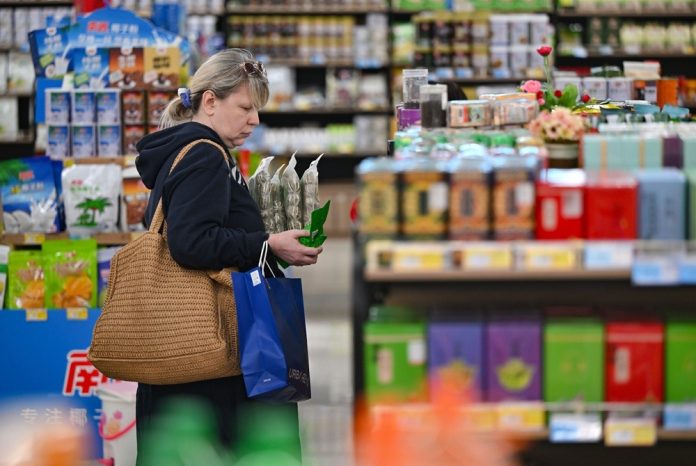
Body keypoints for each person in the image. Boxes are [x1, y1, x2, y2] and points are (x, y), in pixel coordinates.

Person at [133, 48, 322, 462]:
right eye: (245, 108)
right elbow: (191, 243)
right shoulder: (204, 155)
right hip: (212, 350)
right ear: (210, 101)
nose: (254, 120)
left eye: (257, 110)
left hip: (188, 352)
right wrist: (267, 245)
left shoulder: (188, 151)